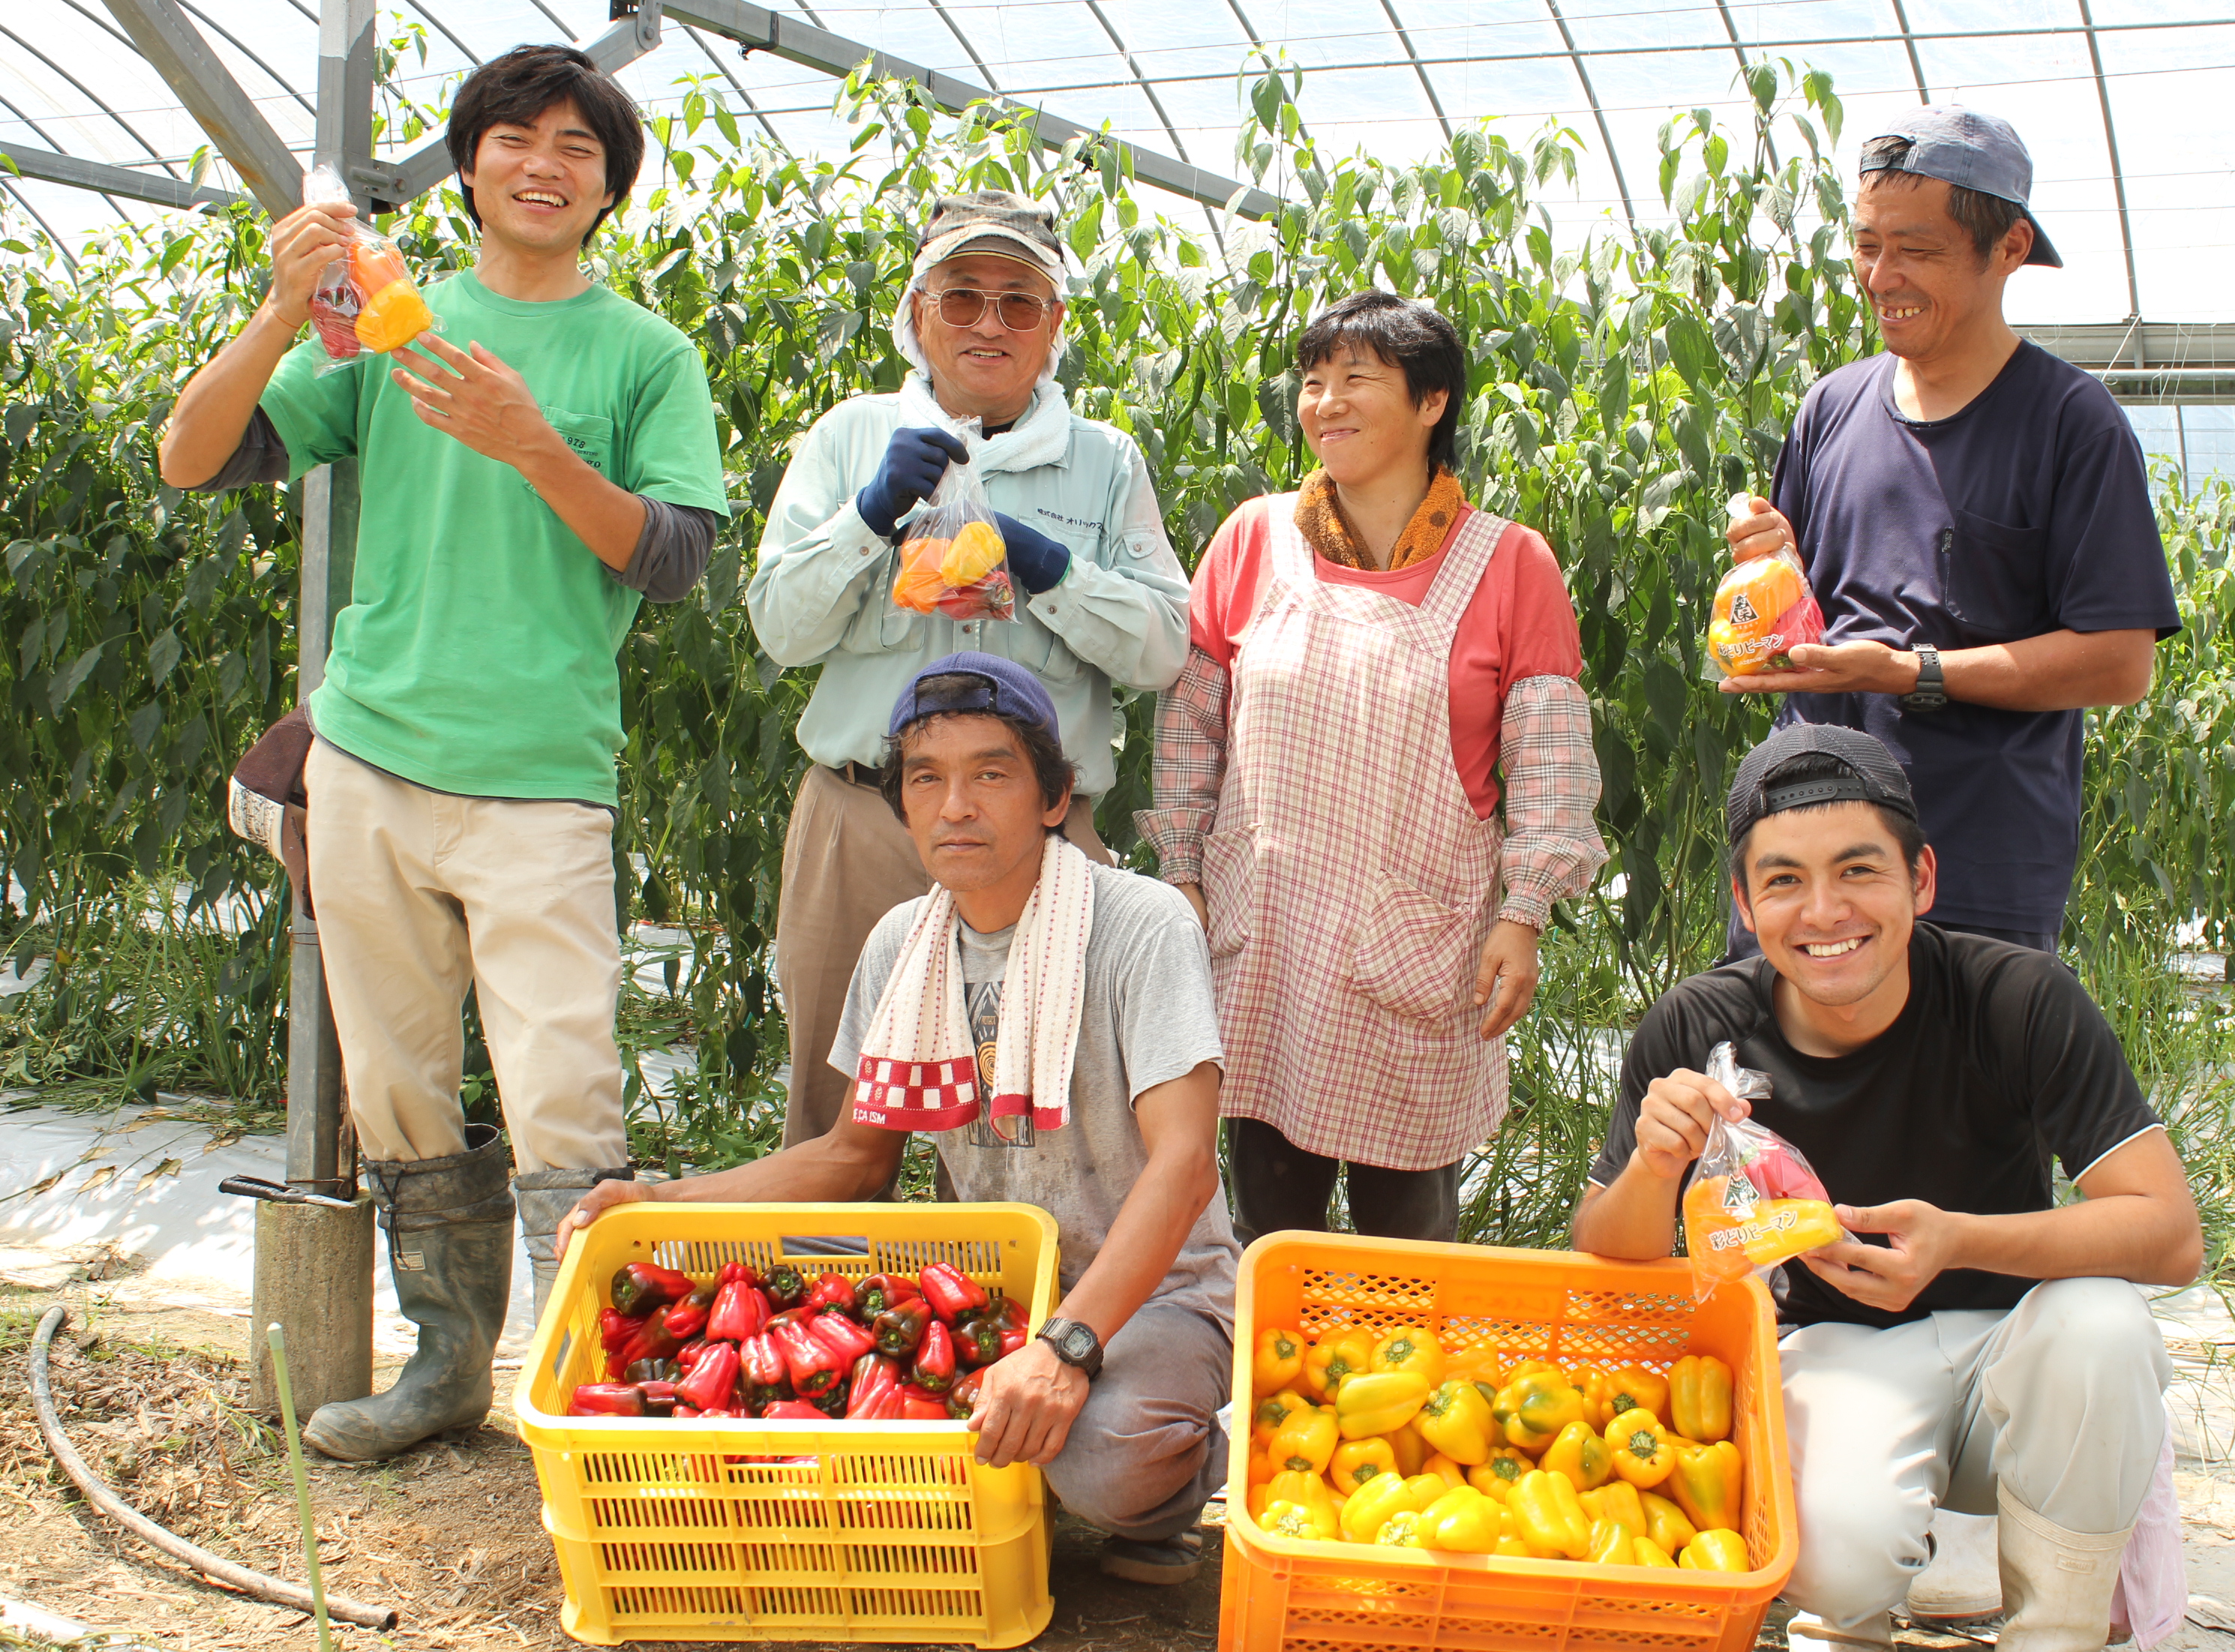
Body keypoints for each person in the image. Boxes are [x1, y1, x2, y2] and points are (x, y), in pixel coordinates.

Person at [157, 44, 726, 1460]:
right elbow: (194, 455)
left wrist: (533, 442)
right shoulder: (392, 326)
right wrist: (287, 304)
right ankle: (448, 1366)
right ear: (470, 166)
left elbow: (670, 559)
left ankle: (592, 1390)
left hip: (541, 771)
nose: (545, 164)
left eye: (578, 148)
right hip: (371, 754)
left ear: (608, 189)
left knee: (564, 1093)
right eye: (516, 139)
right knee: (398, 1080)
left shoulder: (645, 353)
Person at [560, 652, 1234, 1585]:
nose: (957, 805)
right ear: (904, 804)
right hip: (991, 1286)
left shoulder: (1141, 925)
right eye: (928, 779)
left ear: (1054, 797)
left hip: (1153, 1290)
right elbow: (850, 1159)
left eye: (991, 774)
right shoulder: (901, 948)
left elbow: (1187, 1166)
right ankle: (1043, 1450)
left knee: (1108, 1462)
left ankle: (1174, 1480)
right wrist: (660, 1198)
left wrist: (1067, 1346)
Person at [1571, 724, 2203, 1652]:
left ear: (1923, 880)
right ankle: (1845, 1619)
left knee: (2102, 1326)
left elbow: (2169, 1237)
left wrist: (1962, 1240)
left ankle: (2057, 1632)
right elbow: (1602, 1247)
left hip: (2017, 1364)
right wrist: (1654, 1164)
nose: (1825, 912)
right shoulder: (1704, 1028)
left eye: (1860, 871)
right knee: (1838, 1552)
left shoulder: (2017, 999)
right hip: (1832, 1356)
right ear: (1746, 903)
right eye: (1784, 880)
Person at [1140, 291, 1605, 1243]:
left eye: (1357, 378)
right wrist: (1182, 872)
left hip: (1420, 938)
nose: (1326, 403)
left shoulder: (1509, 564)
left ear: (1432, 402)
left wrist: (1524, 916)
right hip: (1264, 930)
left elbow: (1551, 760)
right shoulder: (1253, 539)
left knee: (1411, 1238)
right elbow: (1191, 725)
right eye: (1313, 381)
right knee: (1269, 1220)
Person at [748, 189, 1191, 1153]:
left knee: (1037, 1128)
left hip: (1039, 841)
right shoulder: (850, 438)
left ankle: (1026, 1302)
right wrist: (868, 517)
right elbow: (780, 627)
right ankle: (829, 1296)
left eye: (1019, 302)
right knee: (836, 1121)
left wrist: (1050, 568)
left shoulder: (1103, 464)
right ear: (917, 316)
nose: (990, 324)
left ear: (1055, 328)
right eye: (962, 297)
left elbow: (1165, 645)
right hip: (862, 820)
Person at [1719, 106, 2180, 956]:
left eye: (1918, 251)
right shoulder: (1833, 407)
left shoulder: (2071, 426)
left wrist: (1910, 674)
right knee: (1780, 1086)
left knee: (1956, 1086)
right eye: (1867, 246)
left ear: (2007, 248)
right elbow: (1805, 612)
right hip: (1802, 853)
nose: (1881, 276)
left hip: (1970, 876)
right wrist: (1772, 567)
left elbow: (2120, 660)